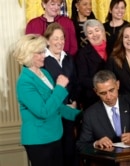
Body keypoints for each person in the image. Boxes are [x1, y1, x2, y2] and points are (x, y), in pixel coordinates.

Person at [13, 34, 80, 166]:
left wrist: (79, 115)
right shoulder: (24, 82)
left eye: (44, 51)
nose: (44, 55)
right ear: (28, 54)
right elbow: (43, 111)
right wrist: (60, 87)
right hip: (39, 140)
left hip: (55, 135)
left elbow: (56, 105)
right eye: (39, 53)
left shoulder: (45, 73)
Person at [43, 22, 79, 166]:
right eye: (56, 38)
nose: (60, 42)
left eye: (62, 38)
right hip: (53, 112)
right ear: (47, 40)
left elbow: (76, 82)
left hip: (69, 111)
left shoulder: (69, 58)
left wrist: (75, 101)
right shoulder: (42, 61)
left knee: (69, 151)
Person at [75, 19, 107, 110]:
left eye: (97, 30)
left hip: (114, 95)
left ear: (102, 31)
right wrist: (102, 87)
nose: (94, 35)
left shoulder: (113, 49)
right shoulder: (82, 54)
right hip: (93, 98)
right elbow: (82, 79)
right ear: (86, 36)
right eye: (90, 32)